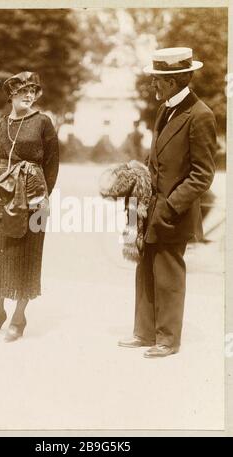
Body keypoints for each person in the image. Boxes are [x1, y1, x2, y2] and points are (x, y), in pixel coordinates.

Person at [118, 47, 217, 357]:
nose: (153, 86)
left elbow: (202, 175)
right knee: (145, 268)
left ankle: (167, 340)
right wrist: (139, 189)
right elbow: (156, 162)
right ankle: (145, 333)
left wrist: (170, 205)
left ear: (174, 80)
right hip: (151, 207)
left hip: (174, 212)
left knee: (169, 272)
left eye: (157, 80)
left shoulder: (200, 115)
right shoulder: (165, 110)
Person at [0, 71, 59, 342]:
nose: (29, 95)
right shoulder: (0, 124)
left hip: (33, 194)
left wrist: (38, 195)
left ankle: (19, 318)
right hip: (1, 193)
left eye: (33, 90)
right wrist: (8, 184)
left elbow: (52, 166)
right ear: (10, 94)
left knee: (27, 254)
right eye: (23, 90)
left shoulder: (43, 122)